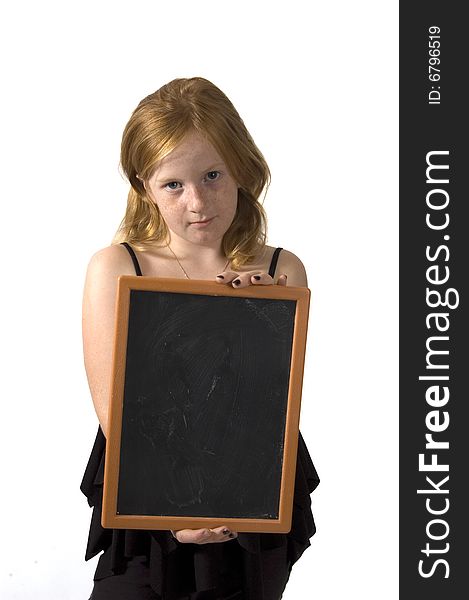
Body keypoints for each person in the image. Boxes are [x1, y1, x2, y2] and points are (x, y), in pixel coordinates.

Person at [81, 77, 319, 600]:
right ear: (145, 186)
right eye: (174, 185)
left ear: (239, 166)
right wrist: (172, 514)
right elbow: (113, 411)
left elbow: (270, 409)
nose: (198, 201)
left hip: (251, 492)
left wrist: (255, 319)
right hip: (145, 490)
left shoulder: (281, 270)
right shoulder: (119, 267)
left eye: (213, 175)